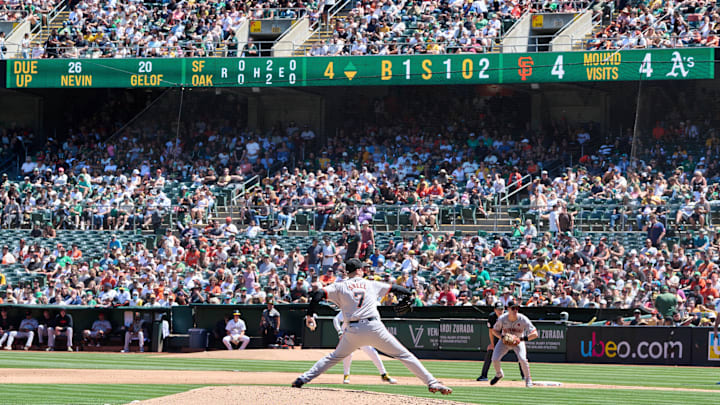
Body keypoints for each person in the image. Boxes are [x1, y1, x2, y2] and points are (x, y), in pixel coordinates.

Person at [291, 258, 451, 395]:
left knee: (332, 358)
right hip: (374, 327)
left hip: (352, 330)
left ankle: (302, 379)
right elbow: (396, 289)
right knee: (404, 355)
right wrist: (410, 295)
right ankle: (432, 382)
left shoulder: (339, 286)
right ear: (360, 270)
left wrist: (310, 315)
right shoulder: (370, 284)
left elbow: (318, 294)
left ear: (347, 272)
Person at [333, 311, 397, 385]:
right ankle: (346, 375)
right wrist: (339, 331)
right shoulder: (348, 308)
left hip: (360, 334)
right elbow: (336, 319)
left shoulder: (366, 309)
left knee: (372, 351)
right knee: (349, 354)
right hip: (348, 334)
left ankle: (384, 374)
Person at [490, 301, 538, 387]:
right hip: (504, 341)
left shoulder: (523, 319)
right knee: (495, 359)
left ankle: (528, 379)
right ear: (508, 309)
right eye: (513, 308)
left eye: (517, 308)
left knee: (523, 359)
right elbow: (494, 331)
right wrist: (502, 337)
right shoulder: (502, 318)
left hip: (518, 341)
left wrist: (521, 339)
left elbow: (535, 334)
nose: (515, 310)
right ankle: (499, 374)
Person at [476, 302, 524, 381]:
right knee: (490, 351)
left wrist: (514, 339)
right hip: (499, 336)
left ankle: (524, 376)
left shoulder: (508, 316)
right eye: (498, 309)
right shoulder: (492, 317)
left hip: (512, 335)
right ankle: (484, 376)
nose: (500, 311)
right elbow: (491, 331)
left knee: (520, 354)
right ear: (495, 310)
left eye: (501, 309)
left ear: (504, 309)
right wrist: (492, 344)